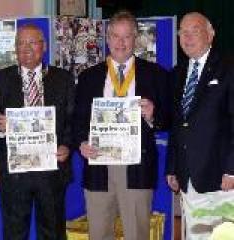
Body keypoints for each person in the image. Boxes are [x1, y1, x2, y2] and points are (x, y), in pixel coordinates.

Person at [73, 11, 170, 240]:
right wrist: (81, 143)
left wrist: (153, 114)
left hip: (137, 167)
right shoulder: (88, 77)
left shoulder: (155, 74)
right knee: (99, 233)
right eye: (115, 36)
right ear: (107, 39)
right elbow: (77, 120)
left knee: (137, 234)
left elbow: (169, 119)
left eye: (127, 37)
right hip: (99, 167)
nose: (121, 42)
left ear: (135, 39)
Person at [0, 24, 74, 240]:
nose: (26, 48)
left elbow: (72, 120)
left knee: (53, 232)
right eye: (21, 43)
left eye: (32, 42)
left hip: (51, 169)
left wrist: (67, 145)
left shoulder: (63, 78)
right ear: (15, 49)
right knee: (14, 233)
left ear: (43, 47)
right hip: (15, 173)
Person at [166, 12, 234, 239]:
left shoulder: (229, 68)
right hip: (189, 178)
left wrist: (232, 169)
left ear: (211, 34)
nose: (187, 37)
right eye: (182, 32)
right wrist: (172, 167)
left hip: (222, 178)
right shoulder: (177, 73)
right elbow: (178, 125)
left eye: (194, 30)